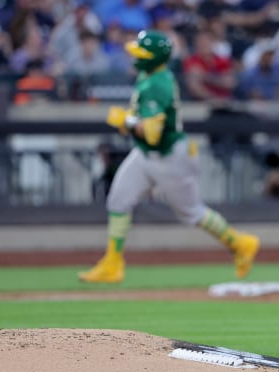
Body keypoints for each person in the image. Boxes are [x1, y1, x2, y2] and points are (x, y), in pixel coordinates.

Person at [78, 30, 260, 284]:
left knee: (192, 212)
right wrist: (130, 120)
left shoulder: (158, 83)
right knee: (118, 200)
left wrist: (126, 120)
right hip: (146, 153)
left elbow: (152, 133)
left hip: (170, 156)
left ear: (154, 58)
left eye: (142, 54)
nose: (136, 57)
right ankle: (112, 263)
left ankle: (241, 243)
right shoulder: (148, 75)